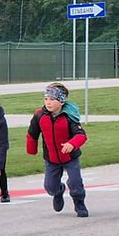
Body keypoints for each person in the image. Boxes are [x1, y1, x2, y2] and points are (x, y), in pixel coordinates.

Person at [26, 82, 89, 217]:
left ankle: (79, 203)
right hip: (51, 159)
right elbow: (32, 133)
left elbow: (81, 135)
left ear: (61, 102)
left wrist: (72, 144)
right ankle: (58, 192)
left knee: (75, 184)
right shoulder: (39, 116)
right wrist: (31, 149)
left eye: (52, 99)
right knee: (50, 187)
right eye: (46, 99)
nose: (48, 102)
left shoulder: (69, 117)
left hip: (70, 158)